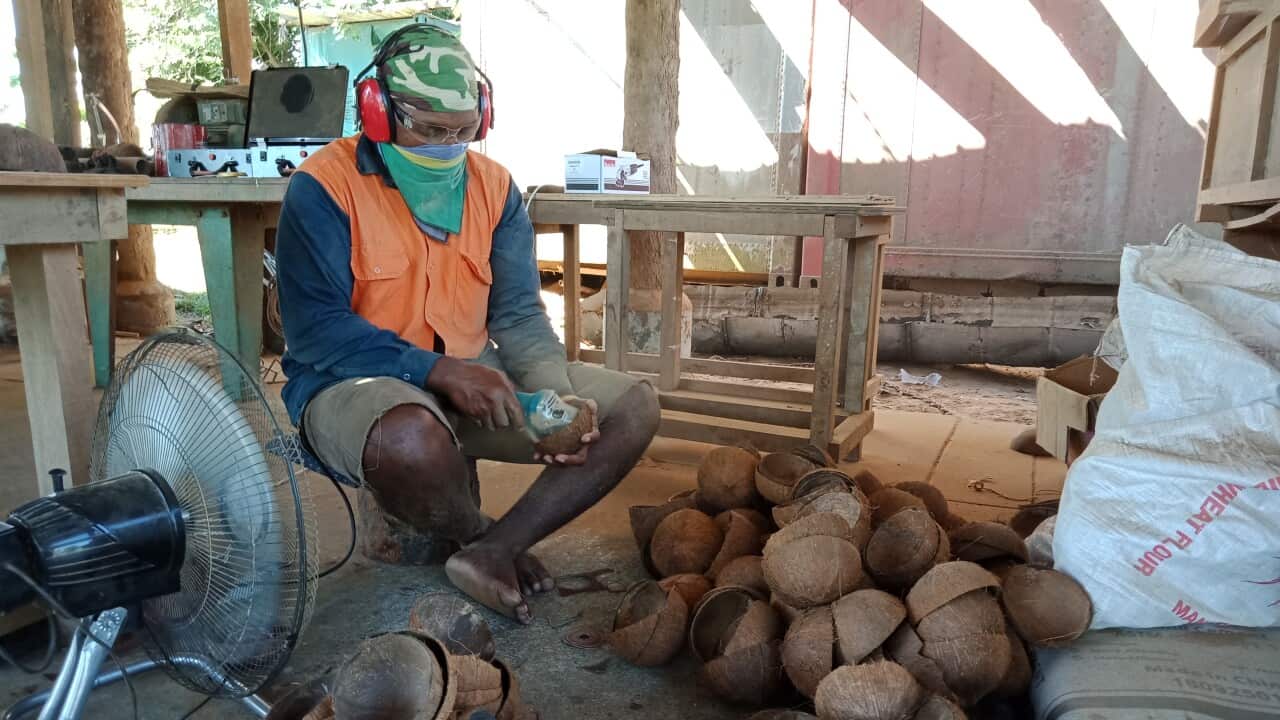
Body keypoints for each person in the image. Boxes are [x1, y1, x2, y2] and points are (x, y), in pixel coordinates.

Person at [274, 24, 660, 623]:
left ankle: (495, 551)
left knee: (631, 407)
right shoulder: (322, 189)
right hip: (353, 381)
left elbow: (518, 314)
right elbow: (316, 332)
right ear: (377, 112)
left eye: (461, 131)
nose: (447, 147)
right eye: (429, 131)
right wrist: (437, 371)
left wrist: (553, 397)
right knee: (410, 442)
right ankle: (479, 531)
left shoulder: (495, 188)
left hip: (473, 370)